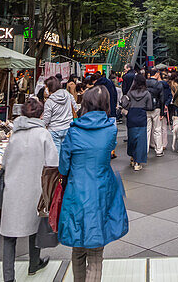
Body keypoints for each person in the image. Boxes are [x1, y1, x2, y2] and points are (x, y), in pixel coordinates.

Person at [58, 86, 128, 282]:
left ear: (85, 104)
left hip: (76, 193)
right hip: (101, 192)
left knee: (78, 247)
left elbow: (63, 167)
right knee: (96, 252)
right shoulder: (111, 130)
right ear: (106, 104)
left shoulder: (74, 131)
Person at [0, 96, 58, 282]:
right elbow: (53, 163)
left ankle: (8, 276)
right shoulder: (43, 134)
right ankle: (34, 263)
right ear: (40, 114)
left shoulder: (14, 135)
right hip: (35, 188)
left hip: (13, 189)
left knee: (9, 235)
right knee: (35, 227)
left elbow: (4, 163)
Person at [119, 75, 154, 170]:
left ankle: (132, 157)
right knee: (141, 140)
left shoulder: (130, 92)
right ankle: (137, 163)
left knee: (132, 138)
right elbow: (150, 106)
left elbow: (126, 104)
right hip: (141, 116)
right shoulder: (147, 93)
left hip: (131, 116)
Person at [42, 76, 77, 153]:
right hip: (68, 127)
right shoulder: (68, 95)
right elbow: (75, 107)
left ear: (49, 88)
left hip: (54, 130)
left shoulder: (49, 101)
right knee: (66, 153)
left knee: (56, 154)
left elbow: (46, 120)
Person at [147, 68, 171, 158]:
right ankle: (159, 150)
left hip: (146, 109)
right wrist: (162, 112)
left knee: (148, 129)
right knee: (157, 129)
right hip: (156, 108)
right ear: (157, 74)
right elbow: (161, 98)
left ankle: (145, 150)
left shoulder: (145, 83)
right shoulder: (158, 84)